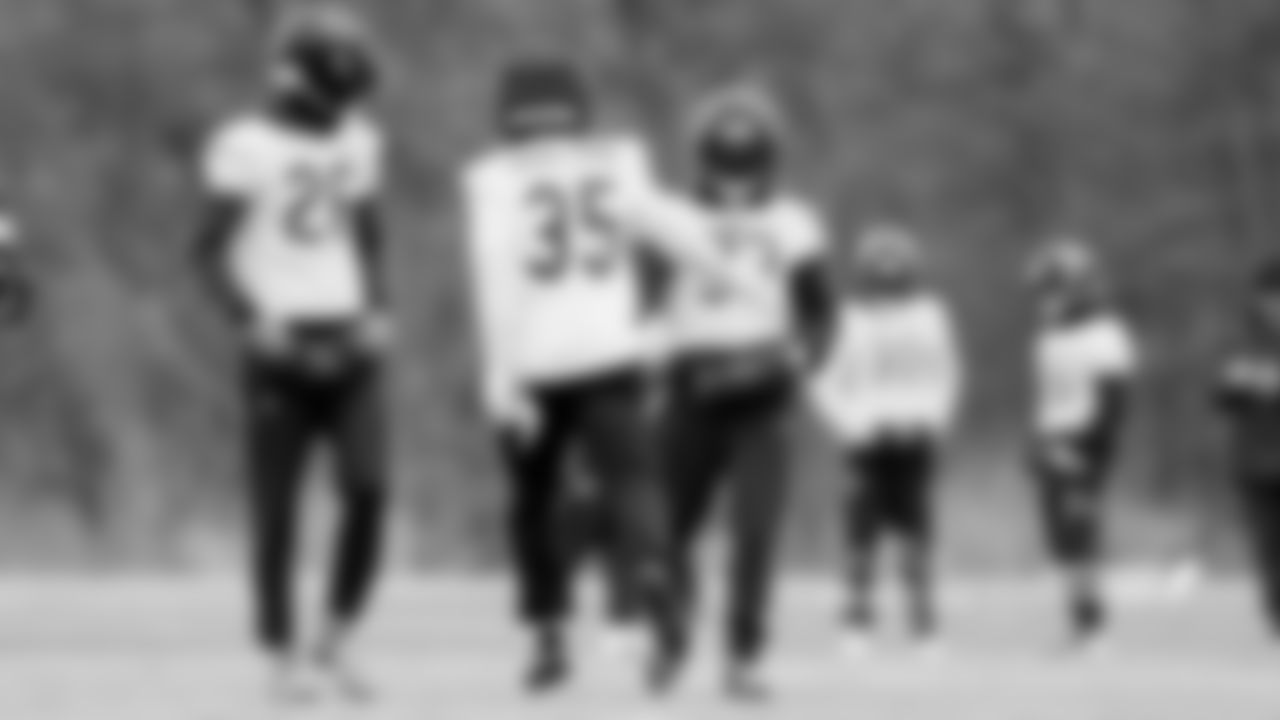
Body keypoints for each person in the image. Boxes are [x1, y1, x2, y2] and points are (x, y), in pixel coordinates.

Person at [461, 58, 757, 695]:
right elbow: (664, 224)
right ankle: (653, 572)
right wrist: (722, 268)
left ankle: (548, 632)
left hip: (535, 356)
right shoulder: (616, 160)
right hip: (608, 348)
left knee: (535, 499)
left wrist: (500, 374)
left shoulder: (494, 179)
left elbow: (495, 276)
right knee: (635, 483)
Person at [195, 4, 391, 703]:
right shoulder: (245, 145)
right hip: (280, 340)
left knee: (368, 489)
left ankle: (336, 637)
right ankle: (281, 657)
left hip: (349, 336)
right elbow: (206, 251)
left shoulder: (361, 141)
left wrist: (378, 311)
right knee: (276, 508)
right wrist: (250, 319)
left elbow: (368, 239)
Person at [658, 85, 833, 700]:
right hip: (692, 385)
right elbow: (638, 307)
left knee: (756, 528)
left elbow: (821, 316)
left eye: (748, 169)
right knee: (668, 526)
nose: (735, 184)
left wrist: (800, 359)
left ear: (770, 162)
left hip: (763, 391)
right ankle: (670, 637)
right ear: (701, 160)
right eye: (723, 168)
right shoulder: (670, 220)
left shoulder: (793, 223)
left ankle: (744, 656)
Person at [808, 224, 963, 657]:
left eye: (895, 276)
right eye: (881, 276)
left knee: (917, 535)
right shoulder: (848, 319)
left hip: (916, 435)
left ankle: (924, 624)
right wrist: (848, 424)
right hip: (866, 439)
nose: (888, 286)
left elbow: (945, 373)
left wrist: (935, 420)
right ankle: (857, 621)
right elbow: (822, 380)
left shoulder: (931, 315)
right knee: (861, 535)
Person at [1026, 240, 1138, 651]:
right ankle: (1078, 623)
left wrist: (1085, 452)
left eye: (1051, 289)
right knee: (1061, 542)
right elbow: (1050, 400)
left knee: (1080, 533)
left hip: (1085, 444)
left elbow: (1113, 406)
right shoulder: (1050, 336)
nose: (1044, 300)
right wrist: (1038, 443)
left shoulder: (1104, 335)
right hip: (1054, 441)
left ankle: (1094, 626)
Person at [1217, 259, 1280, 638]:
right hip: (1254, 461)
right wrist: (1241, 384)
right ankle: (1275, 616)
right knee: (1267, 545)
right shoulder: (1245, 344)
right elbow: (1220, 399)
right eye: (1271, 298)